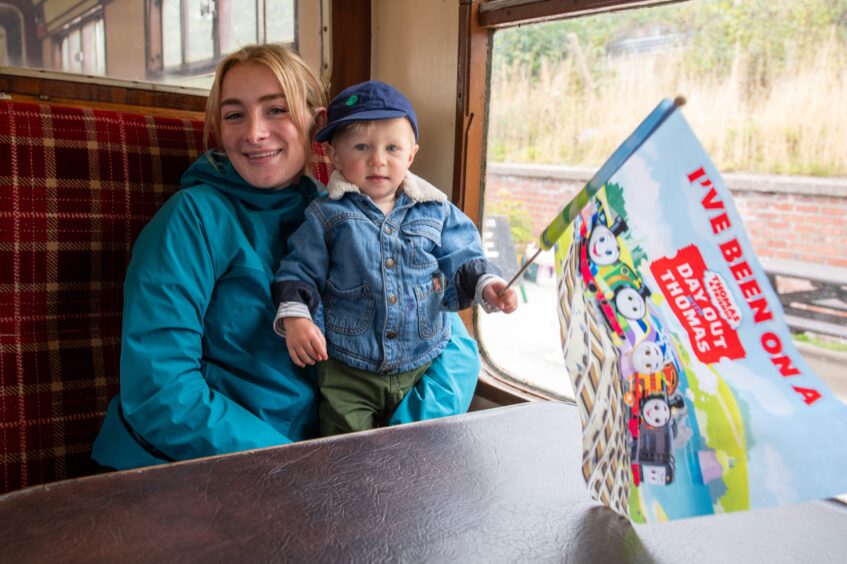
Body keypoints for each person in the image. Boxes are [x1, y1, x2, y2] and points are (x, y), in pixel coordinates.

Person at [90, 45, 481, 470]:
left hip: (334, 462)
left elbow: (452, 347)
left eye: (275, 110)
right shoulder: (189, 220)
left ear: (316, 124)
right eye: (234, 114)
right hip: (185, 465)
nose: (255, 133)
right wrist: (292, 467)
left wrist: (396, 445)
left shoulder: (351, 213)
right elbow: (159, 392)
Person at [272, 80, 518, 436]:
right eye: (361, 147)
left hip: (422, 359)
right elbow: (299, 270)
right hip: (347, 368)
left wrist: (488, 284)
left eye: (392, 147)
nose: (378, 159)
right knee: (347, 452)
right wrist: (296, 318)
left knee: (418, 448)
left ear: (411, 155)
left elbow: (462, 253)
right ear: (335, 156)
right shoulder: (326, 215)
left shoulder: (435, 209)